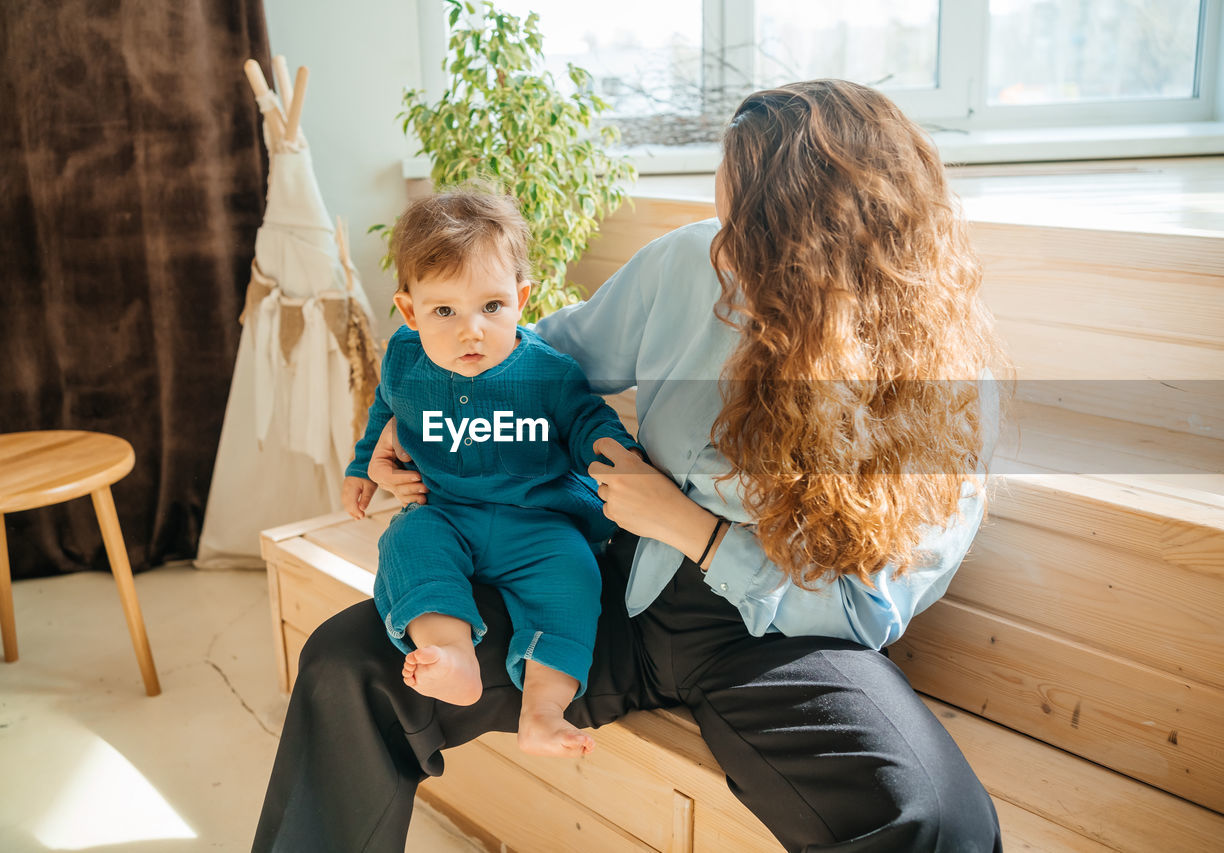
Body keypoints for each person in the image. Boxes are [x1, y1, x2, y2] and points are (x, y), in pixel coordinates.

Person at [254, 80, 1006, 852]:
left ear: (825, 236)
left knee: (943, 819)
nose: (723, 247)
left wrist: (697, 531)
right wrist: (423, 419)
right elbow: (531, 351)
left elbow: (864, 613)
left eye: (748, 226)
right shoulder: (689, 262)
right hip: (614, 586)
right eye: (726, 213)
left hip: (775, 639)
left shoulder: (943, 391)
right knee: (348, 663)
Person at [340, 190, 641, 758]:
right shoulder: (404, 357)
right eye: (444, 311)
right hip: (447, 514)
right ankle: (452, 654)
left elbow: (585, 420)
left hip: (542, 525)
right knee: (405, 540)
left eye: (492, 307)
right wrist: (363, 465)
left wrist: (615, 453)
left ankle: (544, 712)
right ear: (410, 312)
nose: (470, 331)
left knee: (575, 580)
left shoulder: (547, 372)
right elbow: (388, 405)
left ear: (521, 300)